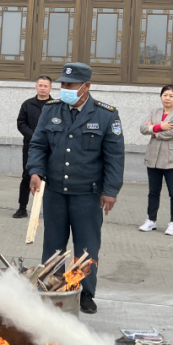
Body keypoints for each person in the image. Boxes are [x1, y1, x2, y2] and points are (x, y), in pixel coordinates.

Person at [27, 62, 124, 314]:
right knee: (53, 245)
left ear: (86, 86)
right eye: (63, 84)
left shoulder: (106, 115)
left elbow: (115, 156)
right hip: (55, 192)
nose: (65, 89)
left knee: (87, 247)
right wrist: (35, 171)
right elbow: (38, 144)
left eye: (70, 85)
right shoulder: (51, 110)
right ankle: (52, 289)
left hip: (88, 194)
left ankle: (85, 293)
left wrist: (110, 190)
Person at [139, 84, 173, 236]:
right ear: (161, 97)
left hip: (172, 158)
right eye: (165, 95)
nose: (167, 98)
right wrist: (160, 126)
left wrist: (154, 130)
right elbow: (142, 128)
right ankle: (151, 220)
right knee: (153, 191)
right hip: (153, 156)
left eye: (171, 96)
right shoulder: (155, 112)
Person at [13, 76, 55, 219]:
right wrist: (34, 137)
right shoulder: (27, 104)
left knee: (50, 179)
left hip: (51, 148)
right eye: (40, 85)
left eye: (45, 86)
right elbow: (21, 123)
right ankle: (22, 208)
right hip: (30, 146)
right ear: (36, 86)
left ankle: (49, 210)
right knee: (27, 176)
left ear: (50, 88)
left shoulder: (56, 106)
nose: (43, 88)